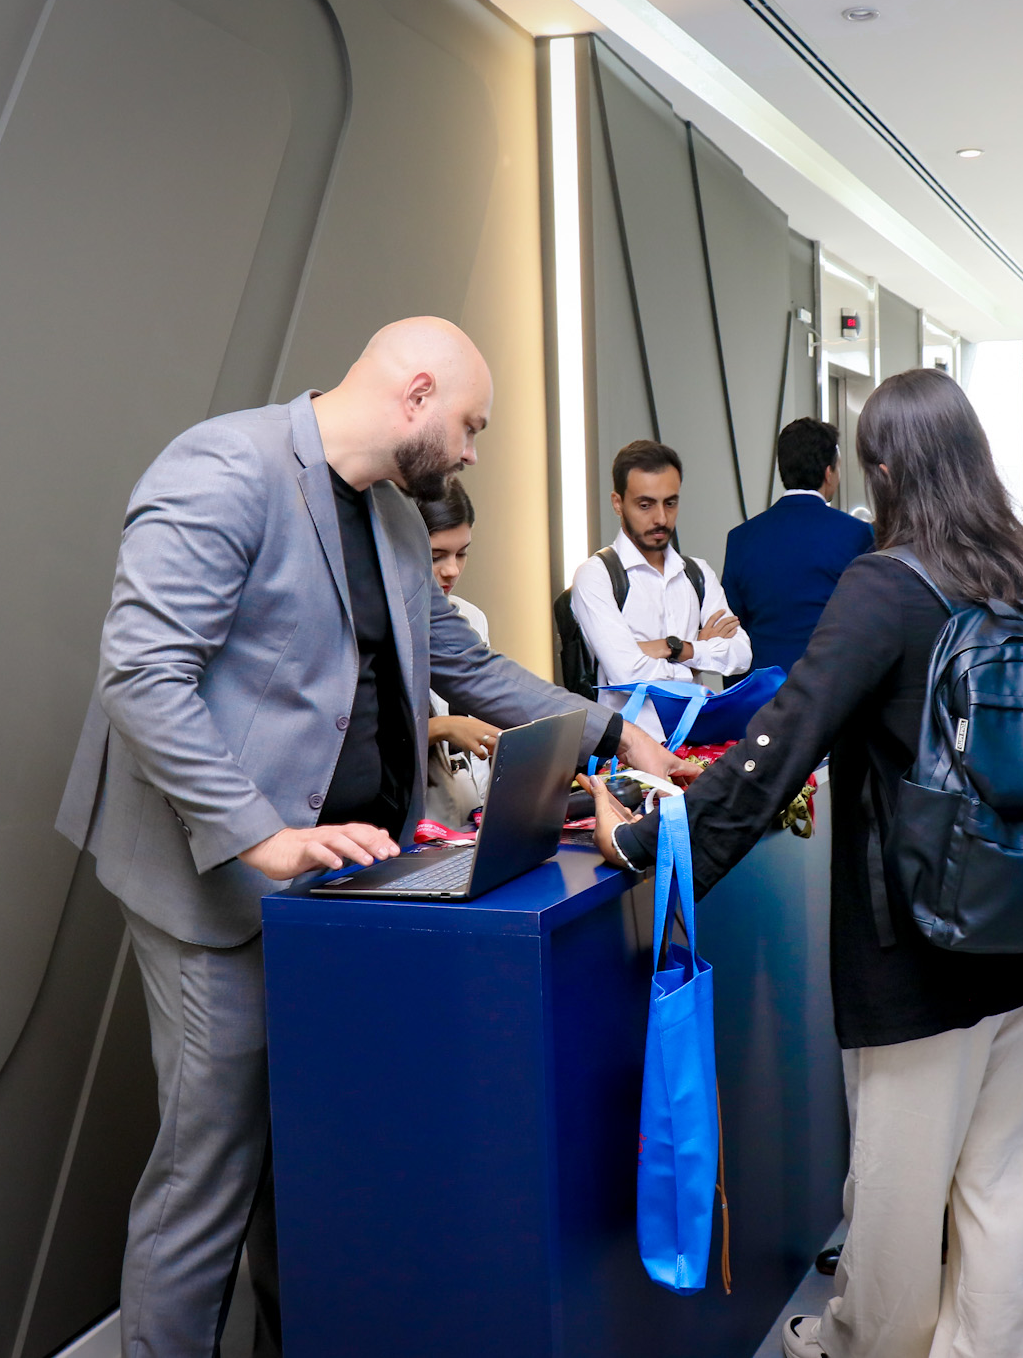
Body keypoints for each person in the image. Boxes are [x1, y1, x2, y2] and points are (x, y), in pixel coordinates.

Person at [53, 318, 694, 1358]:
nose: (476, 448)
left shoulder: (392, 523)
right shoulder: (224, 467)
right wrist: (258, 835)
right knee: (205, 1175)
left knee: (301, 1157)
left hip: (335, 896)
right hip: (211, 884)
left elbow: (469, 670)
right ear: (418, 392)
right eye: (472, 424)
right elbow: (141, 674)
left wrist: (612, 729)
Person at [586, 369, 1023, 1358]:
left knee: (896, 1207)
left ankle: (859, 1346)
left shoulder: (887, 586)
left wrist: (650, 843)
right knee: (1010, 1193)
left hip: (922, 947)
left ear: (876, 469)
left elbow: (777, 748)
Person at [569, 440, 752, 739]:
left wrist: (675, 648)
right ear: (618, 503)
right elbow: (627, 674)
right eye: (645, 505)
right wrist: (695, 664)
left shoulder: (698, 574)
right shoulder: (597, 576)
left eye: (670, 502)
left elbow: (741, 654)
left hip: (697, 743)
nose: (661, 519)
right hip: (627, 753)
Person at [721, 417, 875, 673]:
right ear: (829, 472)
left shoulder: (740, 538)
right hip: (834, 693)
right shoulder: (857, 534)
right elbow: (870, 624)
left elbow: (732, 630)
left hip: (763, 698)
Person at [419, 478, 499, 828]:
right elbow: (367, 740)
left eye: (461, 553)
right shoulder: (373, 630)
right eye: (437, 556)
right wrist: (443, 727)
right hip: (415, 820)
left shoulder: (472, 618)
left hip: (472, 810)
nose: (451, 570)